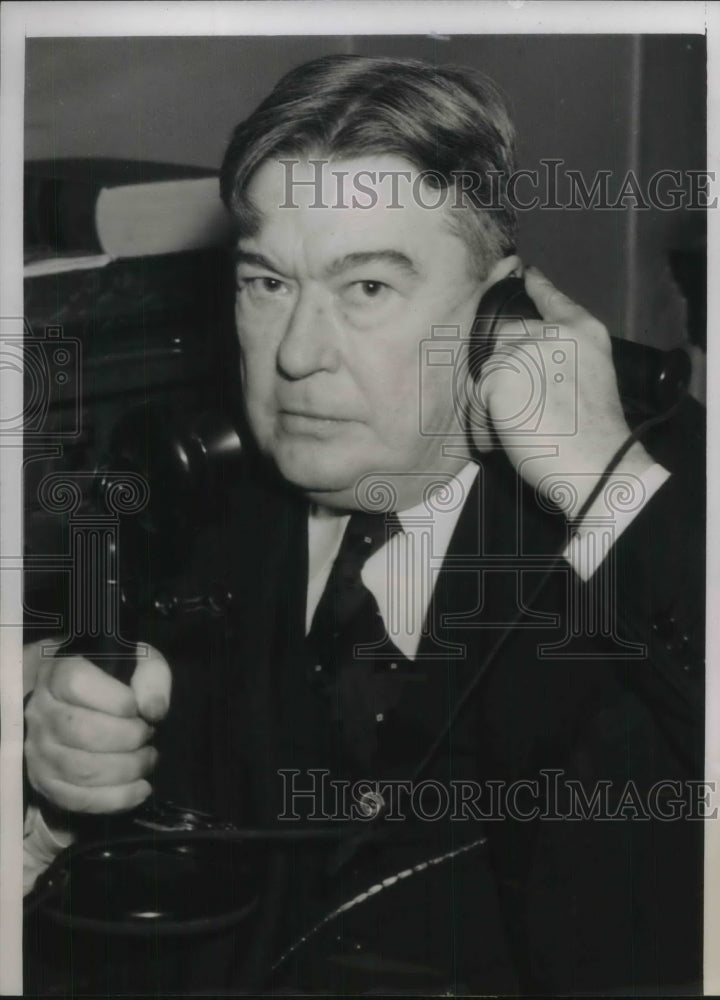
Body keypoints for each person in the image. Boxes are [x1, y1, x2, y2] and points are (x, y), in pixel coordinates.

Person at [23, 55, 705, 994]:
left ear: (498, 311)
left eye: (368, 290)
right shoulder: (196, 497)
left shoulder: (660, 503)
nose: (297, 355)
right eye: (266, 283)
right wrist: (64, 783)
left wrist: (607, 489)